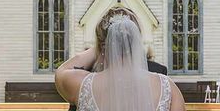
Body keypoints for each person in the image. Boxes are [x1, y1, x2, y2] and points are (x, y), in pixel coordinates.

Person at [56, 6, 185, 111]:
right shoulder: (168, 88)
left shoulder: (82, 84)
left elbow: (61, 71)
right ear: (136, 41)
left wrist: (98, 49)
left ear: (102, 45)